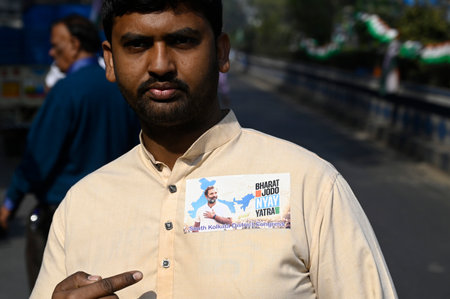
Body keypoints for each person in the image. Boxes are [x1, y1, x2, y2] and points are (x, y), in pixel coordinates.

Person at [31, 1, 398, 298]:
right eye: (137, 45)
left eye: (182, 41)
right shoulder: (80, 206)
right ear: (110, 60)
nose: (160, 65)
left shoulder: (310, 185)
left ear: (221, 52)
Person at [0, 14, 140, 290]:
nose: (52, 53)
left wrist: (8, 205)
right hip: (120, 216)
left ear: (75, 45)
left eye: (57, 46)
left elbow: (38, 158)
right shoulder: (121, 88)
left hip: (62, 217)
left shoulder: (65, 92)